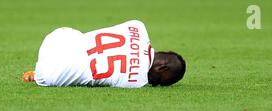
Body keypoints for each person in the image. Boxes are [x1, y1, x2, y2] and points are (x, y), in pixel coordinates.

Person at [23, 20, 186, 88]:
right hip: (50, 76)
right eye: (160, 82)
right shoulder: (137, 82)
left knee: (74, 35)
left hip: (53, 42)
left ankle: (38, 70)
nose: (154, 84)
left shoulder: (138, 26)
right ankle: (35, 74)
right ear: (162, 67)